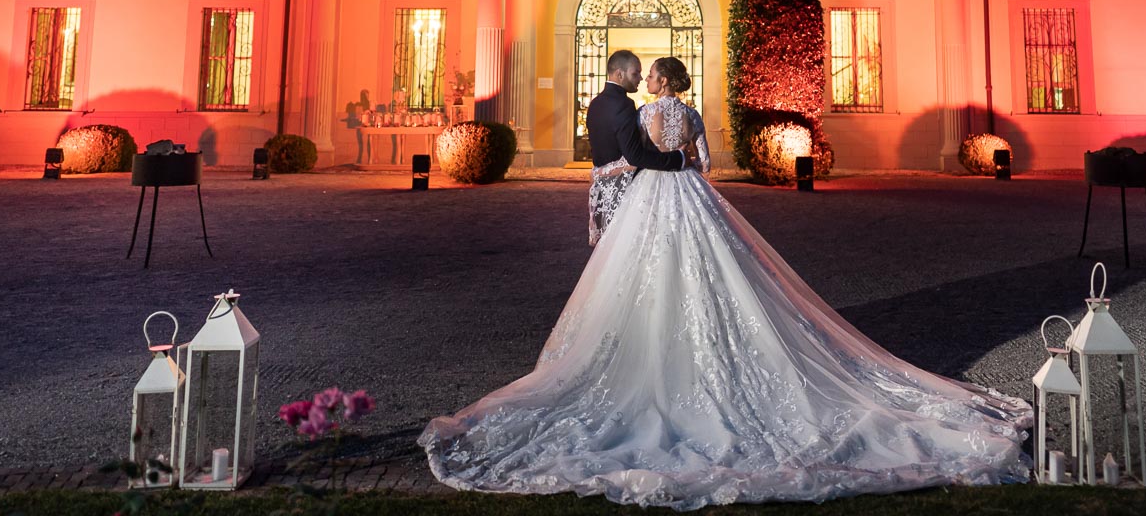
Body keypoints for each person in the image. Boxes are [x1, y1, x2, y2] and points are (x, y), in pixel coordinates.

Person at [421, 55, 1031, 508]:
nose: (646, 80)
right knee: (720, 270)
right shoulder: (689, 114)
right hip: (688, 192)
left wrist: (631, 169)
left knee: (635, 273)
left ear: (659, 80)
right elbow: (706, 164)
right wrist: (683, 160)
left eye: (651, 74)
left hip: (648, 196)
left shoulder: (642, 112)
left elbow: (633, 156)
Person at [583, 49, 693, 245]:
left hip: (601, 188)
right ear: (620, 74)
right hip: (623, 189)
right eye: (636, 73)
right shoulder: (624, 105)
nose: (641, 78)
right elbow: (635, 156)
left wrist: (600, 172)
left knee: (611, 249)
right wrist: (678, 158)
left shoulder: (595, 104)